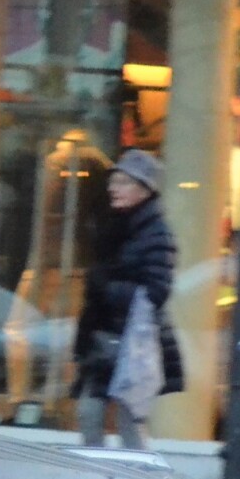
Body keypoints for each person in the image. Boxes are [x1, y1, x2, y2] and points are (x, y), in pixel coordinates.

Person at [73, 149, 183, 450]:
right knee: (89, 413)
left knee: (129, 421)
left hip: (133, 343)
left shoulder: (156, 234)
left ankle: (139, 478)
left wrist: (107, 289)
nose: (113, 188)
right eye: (113, 181)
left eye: (123, 182)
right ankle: (94, 476)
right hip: (104, 338)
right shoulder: (112, 226)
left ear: (145, 189)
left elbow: (156, 291)